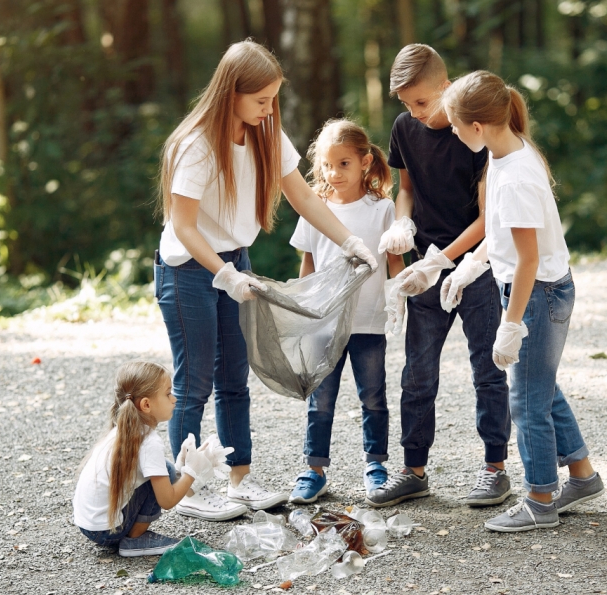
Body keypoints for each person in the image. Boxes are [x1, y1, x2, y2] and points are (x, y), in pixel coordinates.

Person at [155, 40, 378, 521]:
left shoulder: (265, 133)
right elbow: (184, 227)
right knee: (194, 382)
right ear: (230, 93)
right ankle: (183, 488)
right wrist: (224, 274)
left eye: (273, 99)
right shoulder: (193, 145)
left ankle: (240, 482)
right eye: (260, 100)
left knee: (235, 378)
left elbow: (303, 197)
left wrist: (348, 241)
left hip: (235, 259)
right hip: (188, 269)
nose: (268, 109)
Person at [440, 70, 604, 532]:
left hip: (537, 294)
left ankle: (540, 500)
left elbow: (528, 260)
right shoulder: (505, 154)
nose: (452, 132)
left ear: (476, 126)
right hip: (539, 287)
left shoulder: (514, 176)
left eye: (454, 125)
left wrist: (511, 325)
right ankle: (583, 476)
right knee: (541, 387)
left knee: (526, 402)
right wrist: (469, 266)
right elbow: (501, 234)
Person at [366, 44, 511, 509]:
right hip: (424, 270)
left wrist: (442, 261)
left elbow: (489, 218)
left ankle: (495, 469)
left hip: (475, 268)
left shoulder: (475, 133)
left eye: (422, 103)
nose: (415, 113)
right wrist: (401, 224)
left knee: (487, 370)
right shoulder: (405, 128)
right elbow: (404, 189)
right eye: (406, 105)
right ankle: (413, 471)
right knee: (417, 374)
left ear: (446, 88)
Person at [286, 119, 406, 504]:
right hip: (325, 325)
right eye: (326, 165)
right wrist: (303, 309)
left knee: (373, 397)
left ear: (365, 162)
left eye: (343, 164)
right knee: (320, 401)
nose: (333, 173)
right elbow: (307, 265)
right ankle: (314, 470)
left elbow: (395, 263)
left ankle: (376, 466)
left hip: (369, 323)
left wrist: (398, 299)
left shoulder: (382, 210)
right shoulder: (314, 209)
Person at [72, 361, 230, 556]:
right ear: (146, 404)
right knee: (163, 472)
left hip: (89, 525)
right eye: (168, 393)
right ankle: (135, 540)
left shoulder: (123, 430)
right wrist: (192, 472)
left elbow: (164, 479)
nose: (174, 399)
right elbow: (167, 500)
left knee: (165, 469)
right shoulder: (148, 441)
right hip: (107, 531)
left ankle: (130, 534)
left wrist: (184, 468)